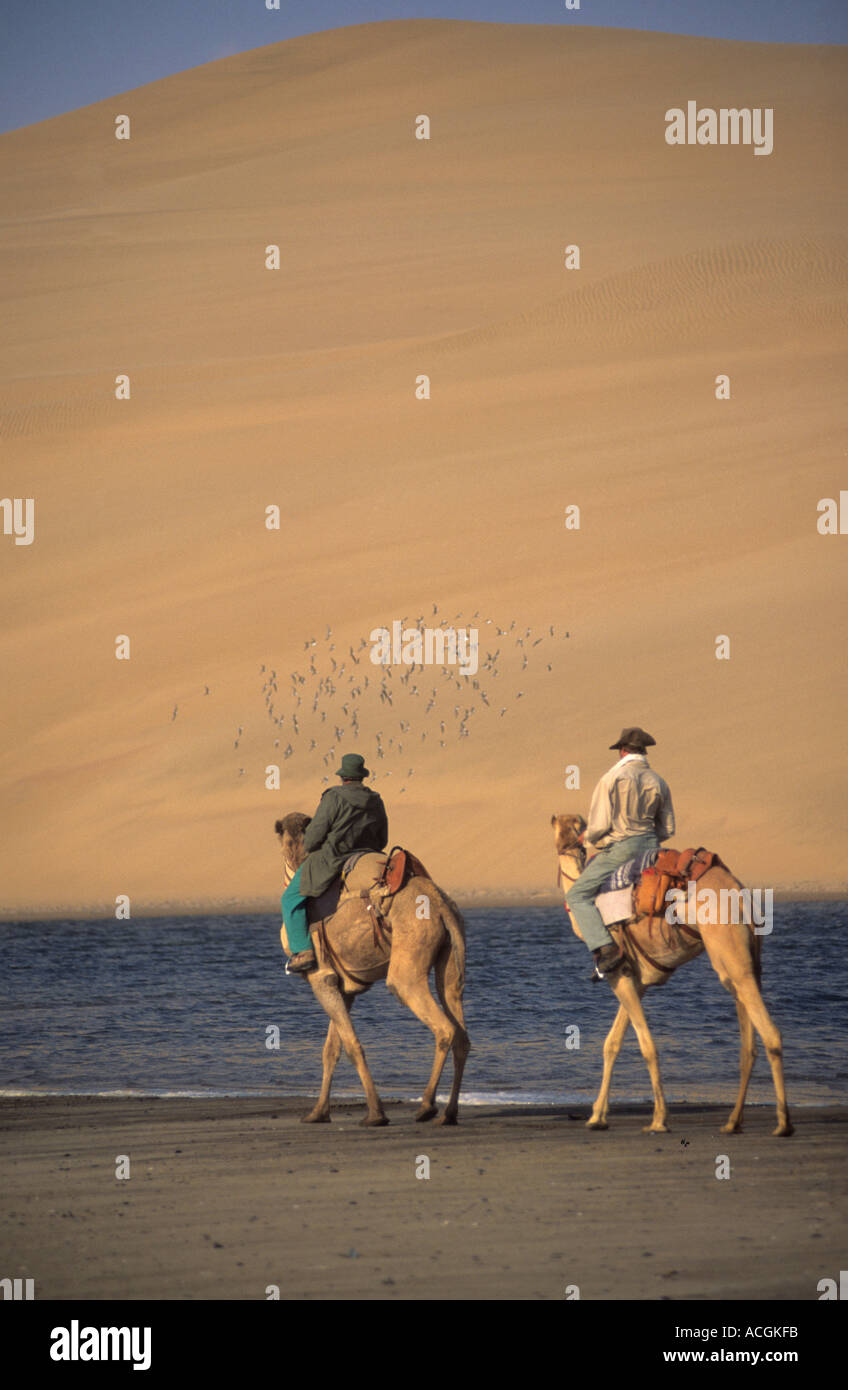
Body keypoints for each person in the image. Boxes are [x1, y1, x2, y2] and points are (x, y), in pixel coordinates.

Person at [566, 727, 675, 981]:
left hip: (622, 849)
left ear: (623, 751)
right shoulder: (658, 781)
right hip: (653, 848)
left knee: (577, 895)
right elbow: (668, 828)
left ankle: (606, 949)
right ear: (643, 751)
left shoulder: (611, 779)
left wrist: (587, 838)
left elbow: (600, 824)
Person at [283, 753, 389, 974]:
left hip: (334, 857)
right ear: (361, 775)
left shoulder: (333, 797)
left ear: (344, 777)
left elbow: (312, 840)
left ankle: (304, 952)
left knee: (291, 897)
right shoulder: (375, 799)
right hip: (369, 854)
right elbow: (383, 839)